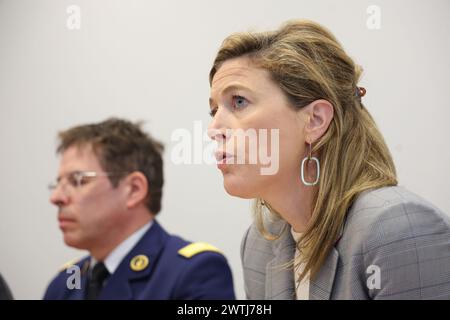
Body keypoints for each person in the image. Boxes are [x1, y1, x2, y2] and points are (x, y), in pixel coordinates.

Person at [207, 19, 450, 299]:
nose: (214, 129)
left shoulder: (399, 230)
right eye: (213, 110)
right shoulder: (260, 244)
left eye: (238, 102)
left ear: (315, 120)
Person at [44, 118, 235, 300]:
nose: (56, 198)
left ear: (134, 190)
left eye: (78, 181)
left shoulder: (192, 273)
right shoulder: (65, 283)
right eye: (57, 184)